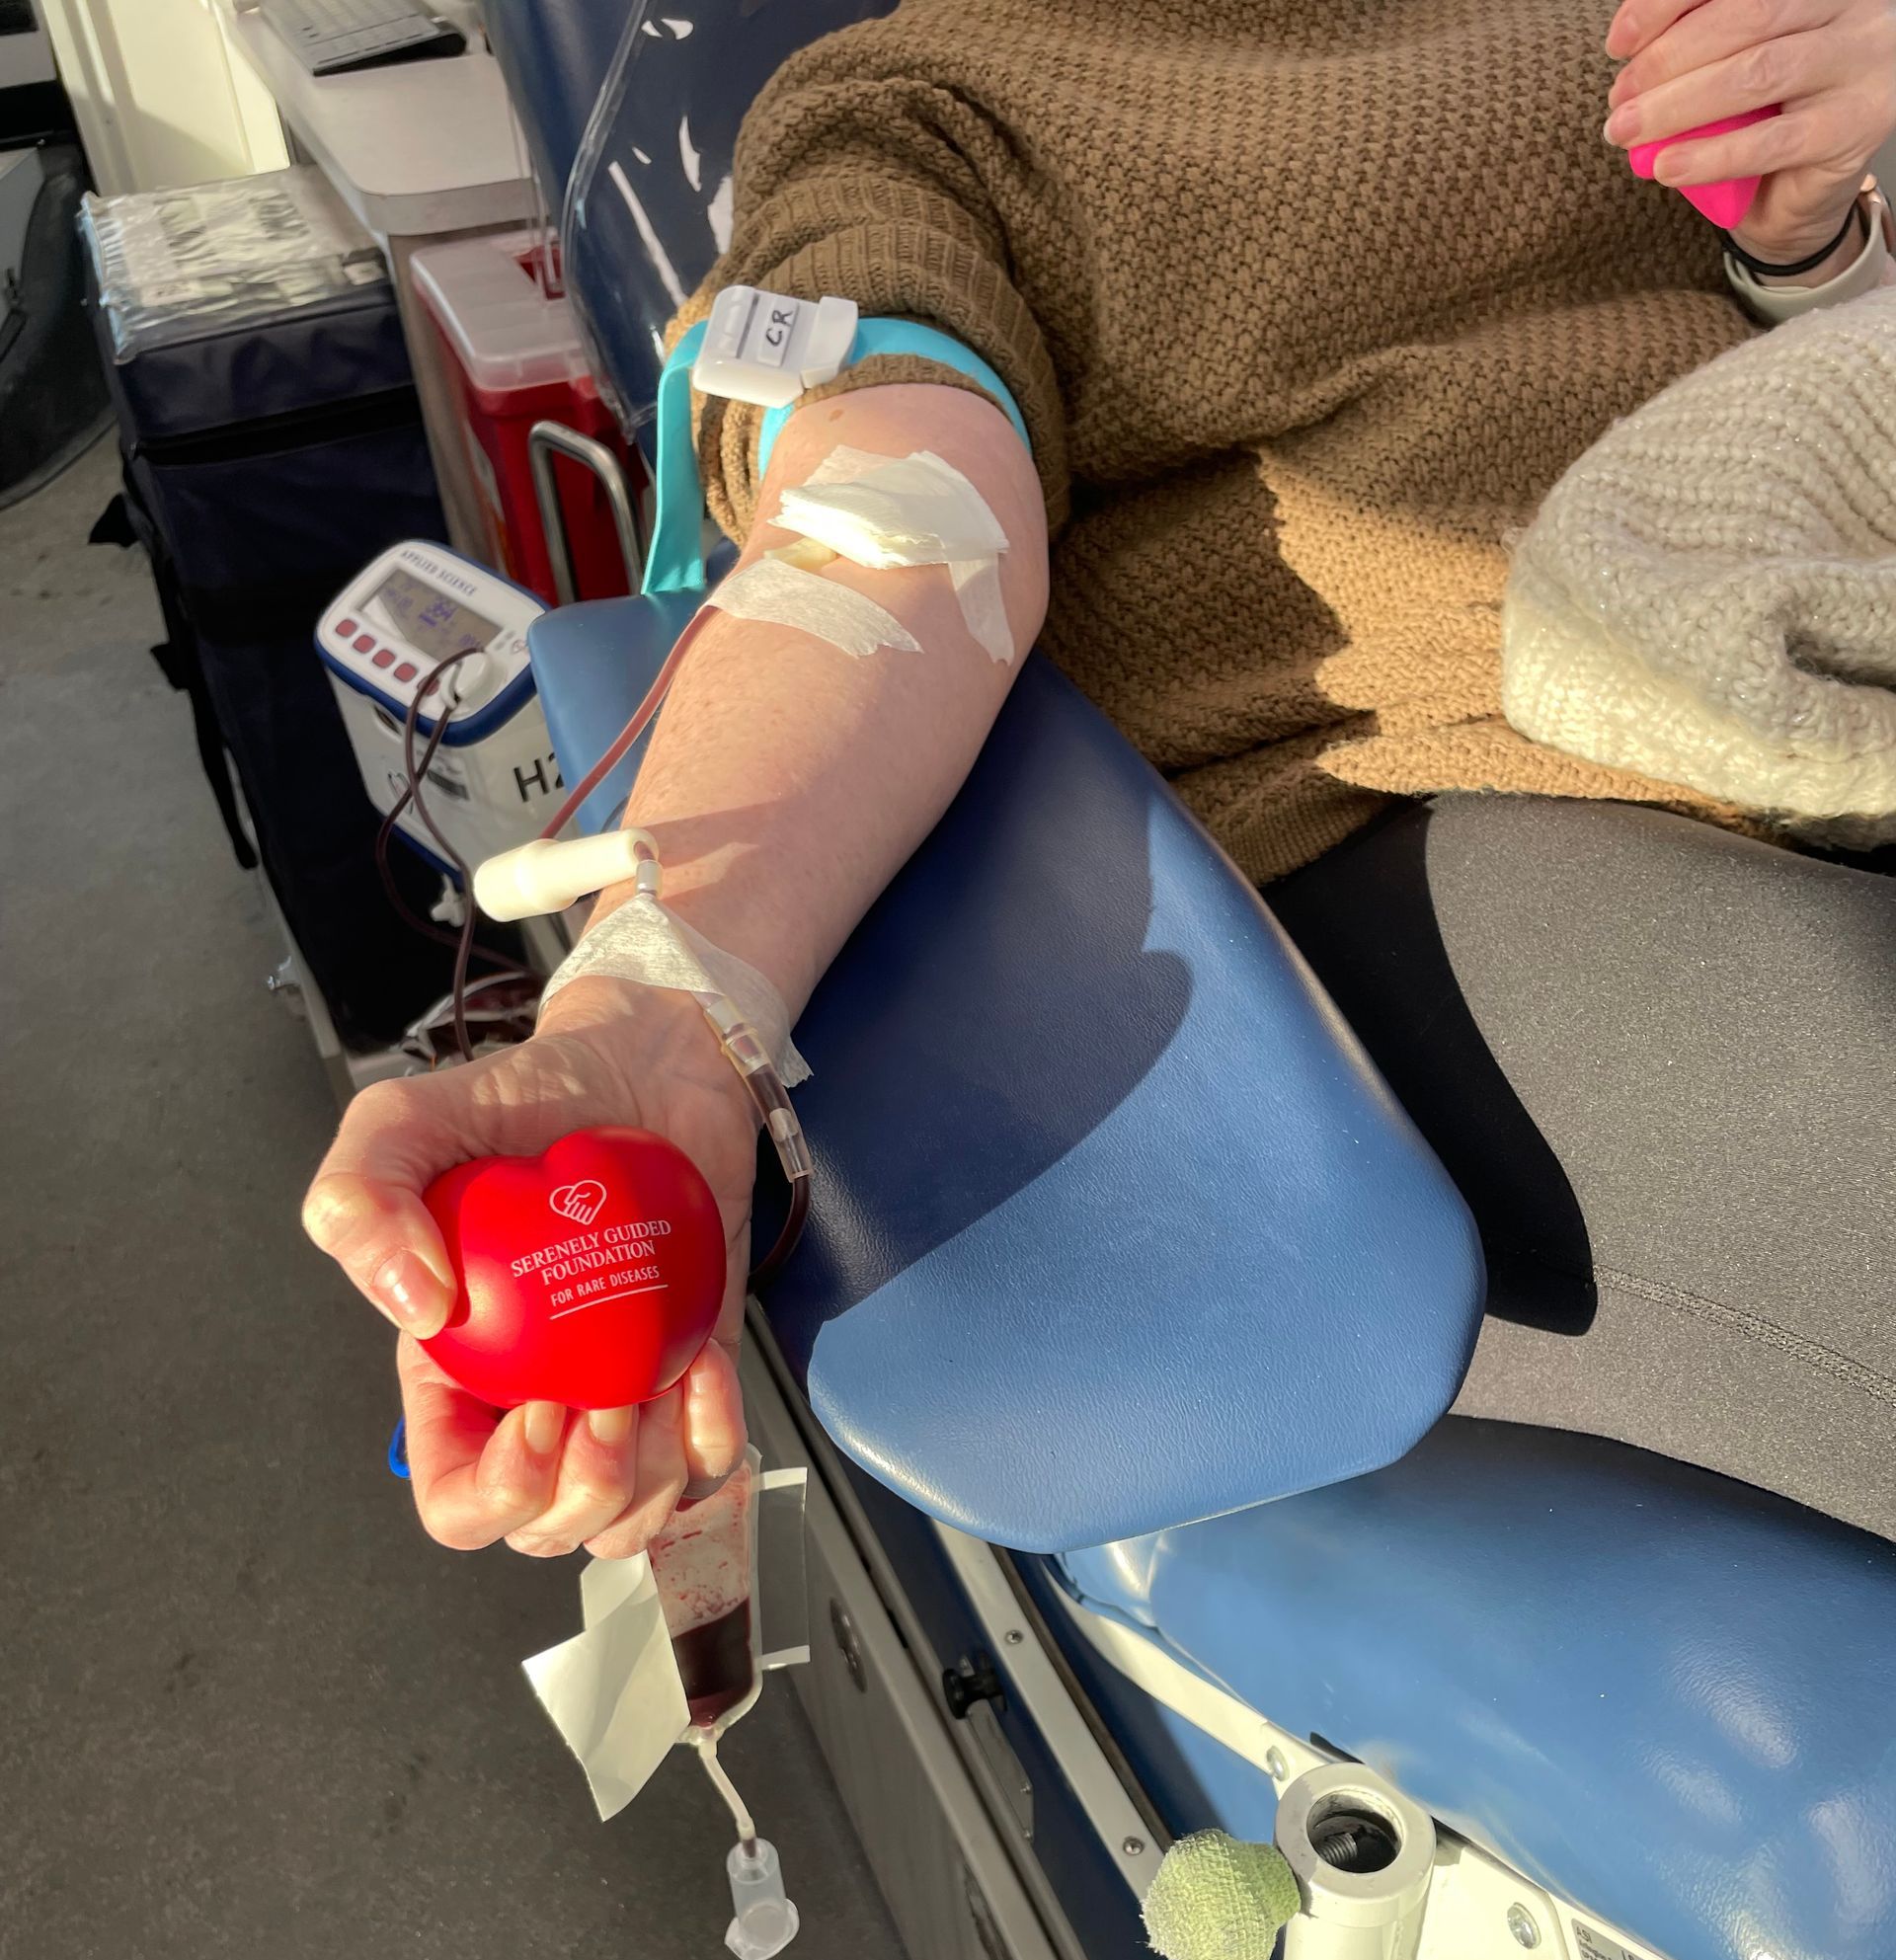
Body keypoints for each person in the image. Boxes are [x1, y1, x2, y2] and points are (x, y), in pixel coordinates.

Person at [304, 0, 1896, 1557]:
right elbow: (897, 525)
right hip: (1489, 786)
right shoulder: (913, 121)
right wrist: (657, 1011)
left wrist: (1815, 236)